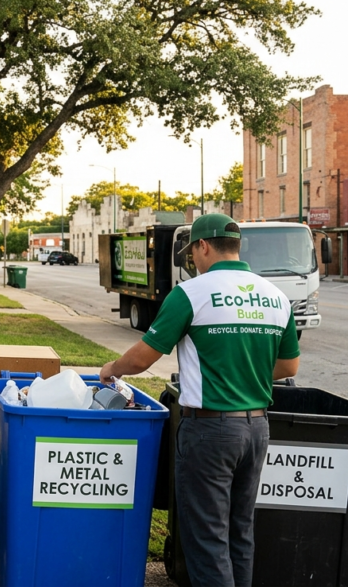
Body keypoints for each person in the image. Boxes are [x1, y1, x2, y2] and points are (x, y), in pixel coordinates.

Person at [98, 213, 299, 587]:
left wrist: (112, 367)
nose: (193, 260)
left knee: (207, 538)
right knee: (240, 530)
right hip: (257, 428)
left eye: (193, 253)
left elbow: (142, 358)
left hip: (210, 431)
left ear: (203, 246)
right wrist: (244, 373)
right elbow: (287, 365)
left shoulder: (192, 293)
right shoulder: (275, 296)